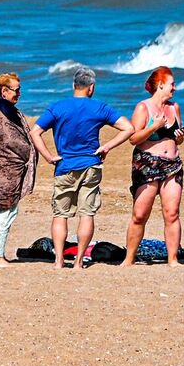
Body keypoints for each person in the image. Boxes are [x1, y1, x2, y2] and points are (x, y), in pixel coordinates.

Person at [30, 66, 132, 273]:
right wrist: (107, 147)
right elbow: (128, 128)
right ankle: (78, 262)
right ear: (91, 88)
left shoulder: (59, 107)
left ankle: (59, 260)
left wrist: (49, 156)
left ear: (73, 85)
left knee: (61, 214)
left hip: (65, 165)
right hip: (90, 165)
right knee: (87, 213)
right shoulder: (99, 108)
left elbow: (35, 132)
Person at [97, 66, 184, 266]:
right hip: (147, 163)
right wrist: (153, 127)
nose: (175, 88)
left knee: (172, 213)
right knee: (140, 214)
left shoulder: (175, 107)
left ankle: (173, 259)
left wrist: (179, 137)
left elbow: (176, 139)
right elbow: (134, 138)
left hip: (172, 164)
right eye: (172, 84)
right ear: (161, 85)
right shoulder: (143, 107)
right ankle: (129, 258)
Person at [0, 72, 53, 267]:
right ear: (4, 91)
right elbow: (9, 140)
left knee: (6, 211)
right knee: (7, 211)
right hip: (7, 168)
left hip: (8, 166)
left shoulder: (5, 108)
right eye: (16, 90)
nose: (19, 93)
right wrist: (30, 150)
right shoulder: (0, 111)